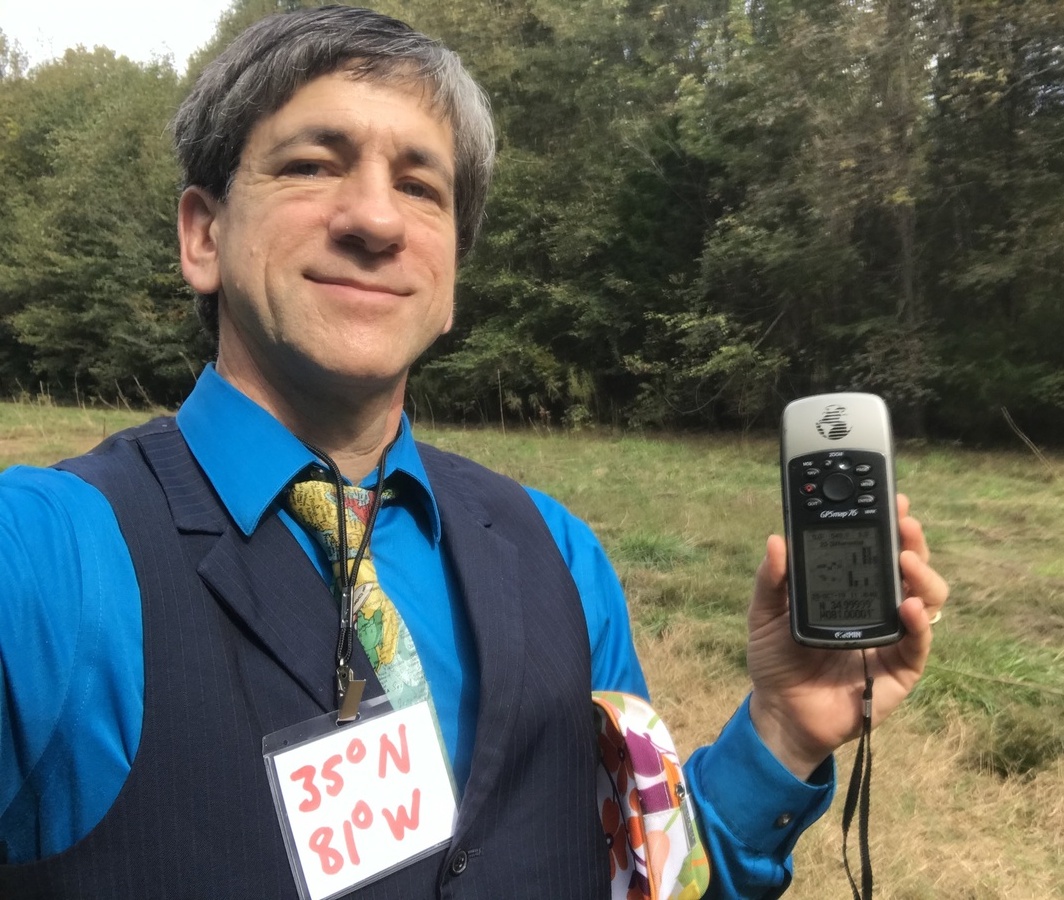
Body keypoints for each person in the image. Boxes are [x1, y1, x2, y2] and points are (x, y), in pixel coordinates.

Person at [0, 6, 948, 899]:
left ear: (449, 281)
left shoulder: (561, 556)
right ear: (203, 236)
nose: (375, 220)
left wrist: (782, 733)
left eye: (421, 186)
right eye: (311, 165)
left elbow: (638, 873)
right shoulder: (44, 559)